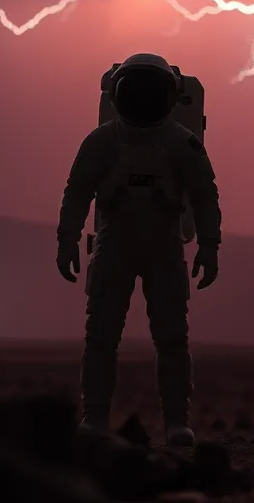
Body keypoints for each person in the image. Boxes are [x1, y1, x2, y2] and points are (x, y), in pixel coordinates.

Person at [55, 53, 222, 447]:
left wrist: (210, 245)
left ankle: (175, 422)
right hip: (119, 245)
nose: (144, 99)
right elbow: (77, 193)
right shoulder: (105, 142)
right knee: (103, 338)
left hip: (157, 247)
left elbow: (204, 196)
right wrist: (66, 238)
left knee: (169, 340)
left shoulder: (180, 143)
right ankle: (95, 418)